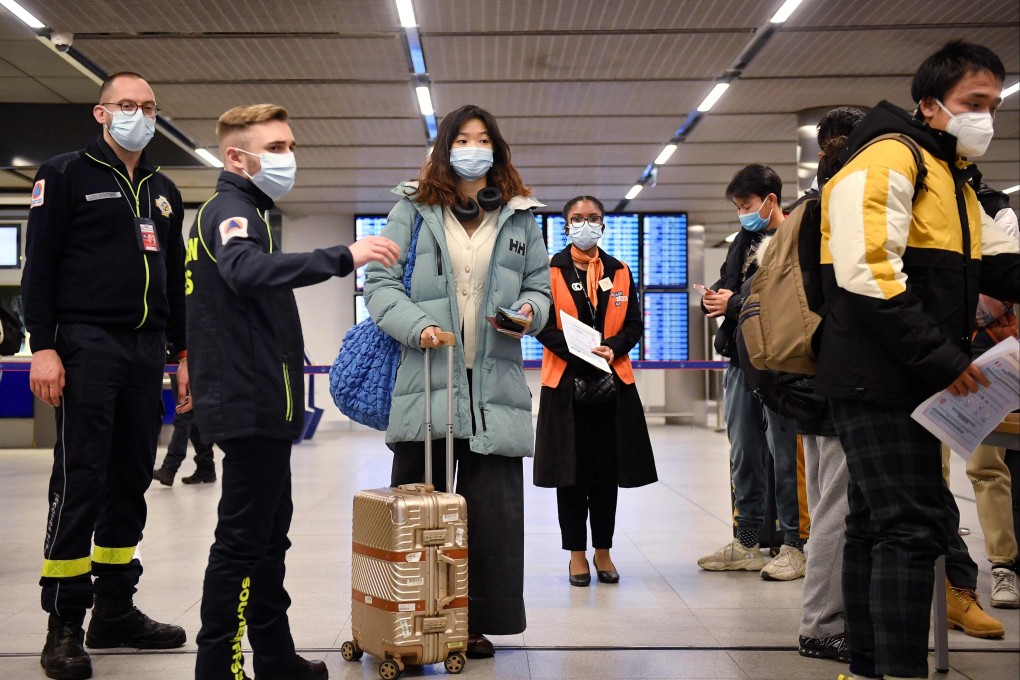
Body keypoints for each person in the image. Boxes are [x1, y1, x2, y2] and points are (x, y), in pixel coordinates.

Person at [818, 41, 1019, 680]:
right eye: (973, 103)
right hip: (879, 377)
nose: (986, 117)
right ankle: (897, 672)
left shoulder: (953, 178)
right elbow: (867, 273)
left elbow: (1002, 264)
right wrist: (943, 362)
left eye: (994, 104)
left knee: (877, 523)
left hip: (900, 376)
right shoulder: (888, 158)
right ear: (930, 105)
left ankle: (868, 669)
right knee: (912, 525)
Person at [186, 104, 400, 680]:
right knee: (241, 542)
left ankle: (276, 658)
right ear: (237, 156)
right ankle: (218, 666)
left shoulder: (247, 210)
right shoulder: (230, 211)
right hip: (247, 402)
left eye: (289, 146)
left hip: (263, 402)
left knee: (268, 538)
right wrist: (342, 257)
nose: (288, 158)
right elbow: (245, 271)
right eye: (276, 147)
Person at [364, 103, 551, 658]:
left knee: (491, 515)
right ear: (444, 149)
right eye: (462, 139)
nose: (474, 147)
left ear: (498, 148)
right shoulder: (413, 209)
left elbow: (540, 288)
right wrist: (418, 324)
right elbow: (379, 282)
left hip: (494, 386)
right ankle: (407, 620)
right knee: (420, 510)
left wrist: (527, 314)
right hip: (428, 380)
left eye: (483, 138)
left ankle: (471, 622)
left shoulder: (519, 216)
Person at [22, 71, 189, 680]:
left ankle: (115, 608)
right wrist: (43, 346)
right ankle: (64, 621)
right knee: (81, 479)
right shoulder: (65, 174)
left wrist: (183, 350)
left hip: (147, 353)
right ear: (101, 112)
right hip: (86, 346)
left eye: (147, 106)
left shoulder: (163, 189)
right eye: (126, 105)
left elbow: (173, 277)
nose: (138, 114)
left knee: (129, 479)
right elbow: (39, 265)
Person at [534, 196, 657, 587]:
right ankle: (576, 555)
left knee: (606, 474)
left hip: (612, 384)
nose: (585, 224)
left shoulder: (619, 271)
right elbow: (541, 323)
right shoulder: (549, 270)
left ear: (603, 224)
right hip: (564, 385)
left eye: (593, 218)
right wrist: (577, 347)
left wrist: (614, 347)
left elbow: (635, 324)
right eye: (576, 218)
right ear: (565, 225)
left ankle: (603, 550)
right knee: (571, 475)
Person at [697, 164, 807, 581]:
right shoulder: (742, 242)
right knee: (743, 451)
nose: (742, 213)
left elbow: (782, 297)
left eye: (746, 205)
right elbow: (735, 286)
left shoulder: (795, 237)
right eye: (738, 206)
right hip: (742, 360)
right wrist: (719, 297)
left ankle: (795, 544)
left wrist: (735, 302)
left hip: (782, 365)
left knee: (785, 456)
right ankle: (747, 541)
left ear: (770, 200)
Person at [152, 369, 216, 486]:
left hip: (183, 361)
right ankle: (206, 466)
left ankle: (170, 468)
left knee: (184, 413)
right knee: (190, 414)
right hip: (179, 362)